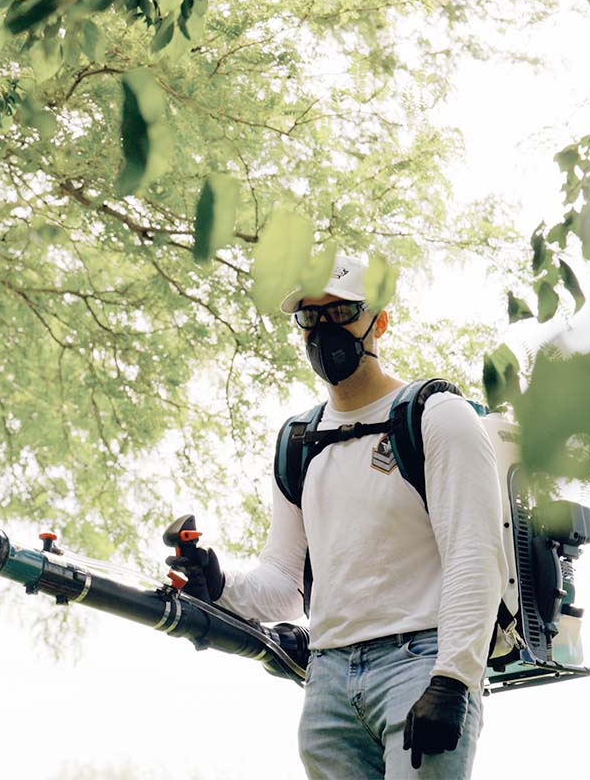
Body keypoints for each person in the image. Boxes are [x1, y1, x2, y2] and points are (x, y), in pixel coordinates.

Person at [198, 255, 508, 778]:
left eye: (342, 312)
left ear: (379, 321)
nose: (325, 331)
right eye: (311, 318)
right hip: (327, 682)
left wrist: (453, 680)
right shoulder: (299, 440)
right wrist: (216, 580)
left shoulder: (435, 416)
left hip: (421, 666)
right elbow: (284, 584)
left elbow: (474, 556)